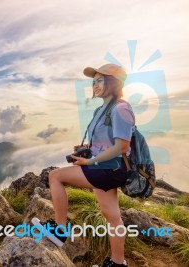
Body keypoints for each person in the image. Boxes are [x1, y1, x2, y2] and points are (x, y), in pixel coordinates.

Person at [32, 64, 134, 267]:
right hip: (105, 167)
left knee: (55, 176)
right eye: (93, 81)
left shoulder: (121, 108)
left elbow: (122, 146)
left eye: (100, 80)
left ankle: (60, 231)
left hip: (109, 168)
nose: (95, 85)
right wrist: (86, 148)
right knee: (112, 216)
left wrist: (89, 161)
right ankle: (118, 263)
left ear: (113, 83)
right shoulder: (102, 109)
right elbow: (107, 142)